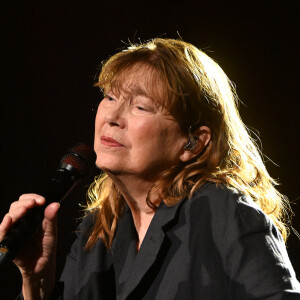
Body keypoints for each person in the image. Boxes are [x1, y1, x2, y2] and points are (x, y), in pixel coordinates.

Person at [1, 38, 300, 299]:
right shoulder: (101, 225)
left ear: (192, 143)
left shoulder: (223, 210)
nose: (112, 117)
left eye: (141, 106)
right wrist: (36, 283)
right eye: (111, 97)